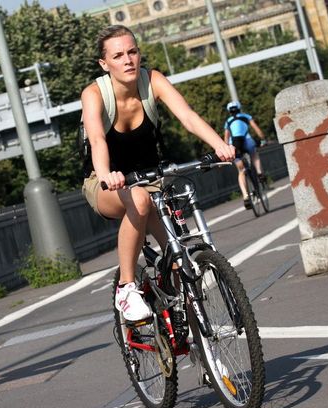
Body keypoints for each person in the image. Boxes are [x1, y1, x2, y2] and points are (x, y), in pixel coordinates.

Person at [81, 25, 235, 322]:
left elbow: (187, 116)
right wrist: (106, 175)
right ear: (105, 64)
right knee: (137, 200)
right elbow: (98, 139)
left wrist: (219, 145)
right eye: (118, 55)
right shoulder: (94, 94)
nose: (128, 60)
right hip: (104, 184)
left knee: (181, 264)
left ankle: (195, 341)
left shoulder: (152, 80)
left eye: (132, 52)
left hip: (150, 179)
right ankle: (126, 288)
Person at [223, 101, 267, 210]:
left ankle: (246, 196)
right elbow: (256, 128)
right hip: (247, 141)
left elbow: (226, 137)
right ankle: (260, 173)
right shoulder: (246, 116)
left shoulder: (228, 121)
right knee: (254, 154)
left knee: (241, 171)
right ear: (239, 108)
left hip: (235, 144)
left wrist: (227, 149)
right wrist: (263, 138)